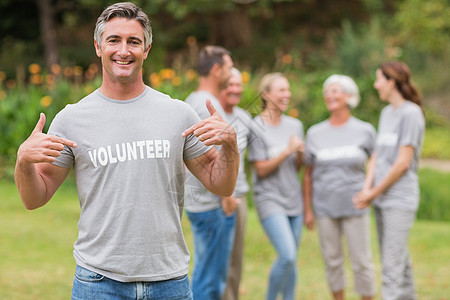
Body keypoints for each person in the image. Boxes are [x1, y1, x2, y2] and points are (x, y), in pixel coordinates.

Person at [14, 3, 239, 300]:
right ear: (98, 46)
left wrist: (230, 146)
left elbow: (220, 183)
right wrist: (23, 162)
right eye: (114, 40)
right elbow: (34, 198)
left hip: (169, 281)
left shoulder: (178, 114)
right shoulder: (72, 119)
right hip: (99, 281)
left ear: (146, 49)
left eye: (134, 41)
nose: (124, 50)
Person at [353, 61, 425, 300]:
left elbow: (403, 163)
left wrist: (373, 193)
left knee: (391, 268)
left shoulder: (411, 113)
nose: (375, 85)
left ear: (391, 82)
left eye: (379, 80)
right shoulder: (386, 113)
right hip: (382, 198)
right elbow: (376, 157)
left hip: (400, 199)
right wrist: (367, 188)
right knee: (399, 262)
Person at [303, 74, 376, 300]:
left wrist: (368, 189)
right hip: (325, 208)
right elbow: (308, 174)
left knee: (361, 262)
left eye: (335, 91)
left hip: (356, 205)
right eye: (327, 92)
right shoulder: (314, 132)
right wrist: (308, 209)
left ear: (349, 96)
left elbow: (375, 160)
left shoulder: (364, 130)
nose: (329, 95)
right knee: (332, 261)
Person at [183, 45, 237, 300]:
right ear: (216, 70)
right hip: (211, 206)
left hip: (203, 204)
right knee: (210, 279)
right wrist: (226, 198)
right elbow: (211, 160)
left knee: (208, 273)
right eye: (228, 66)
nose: (232, 71)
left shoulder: (192, 101)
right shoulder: (207, 106)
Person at [247, 72, 304, 300]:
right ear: (266, 95)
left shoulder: (296, 125)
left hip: (294, 200)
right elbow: (260, 169)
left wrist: (299, 154)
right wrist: (287, 151)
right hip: (269, 199)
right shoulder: (256, 126)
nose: (286, 94)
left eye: (288, 90)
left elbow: (297, 167)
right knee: (287, 255)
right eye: (281, 90)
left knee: (292, 260)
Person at [220, 68, 253, 300]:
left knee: (236, 259)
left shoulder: (245, 118)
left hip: (239, 194)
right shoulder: (212, 114)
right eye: (230, 84)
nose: (235, 89)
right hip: (219, 197)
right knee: (219, 261)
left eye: (239, 84)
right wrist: (224, 195)